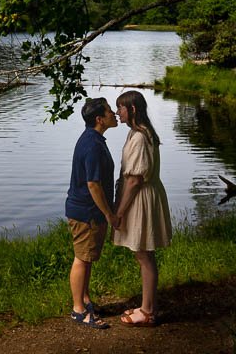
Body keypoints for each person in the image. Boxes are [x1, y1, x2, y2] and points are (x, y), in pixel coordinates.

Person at [112, 90, 173, 327]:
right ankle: (148, 306)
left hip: (140, 198)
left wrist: (119, 212)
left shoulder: (139, 137)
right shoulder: (139, 133)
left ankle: (147, 312)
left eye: (121, 108)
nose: (118, 113)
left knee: (143, 254)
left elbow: (135, 180)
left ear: (133, 109)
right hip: (144, 194)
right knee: (144, 254)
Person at [65, 97, 119, 329]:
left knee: (87, 259)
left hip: (87, 211)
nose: (114, 113)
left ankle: (85, 301)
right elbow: (93, 184)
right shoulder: (93, 145)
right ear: (99, 119)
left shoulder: (93, 139)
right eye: (109, 111)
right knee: (82, 258)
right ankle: (78, 310)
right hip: (86, 212)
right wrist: (109, 213)